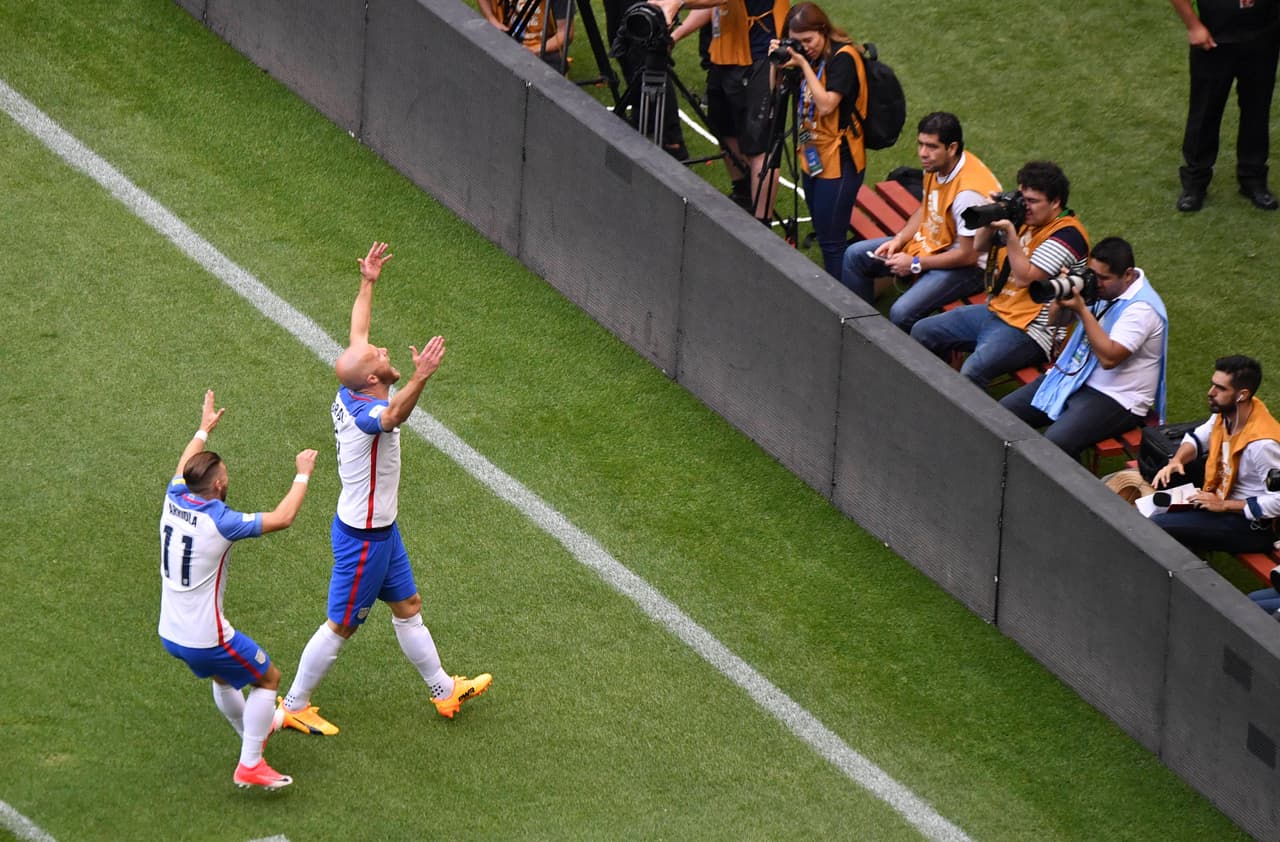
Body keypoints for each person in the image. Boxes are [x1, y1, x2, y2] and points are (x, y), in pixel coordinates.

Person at [278, 242, 491, 736]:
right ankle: (292, 704)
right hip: (363, 538)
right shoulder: (369, 412)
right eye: (379, 356)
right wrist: (420, 377)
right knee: (342, 625)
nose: (382, 348)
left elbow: (358, 334)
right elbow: (394, 415)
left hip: (380, 529)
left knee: (408, 607)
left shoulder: (359, 383)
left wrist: (368, 281)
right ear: (374, 378)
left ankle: (443, 691)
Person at [158, 390, 318, 791]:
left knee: (224, 680)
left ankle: (254, 735)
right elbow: (282, 518)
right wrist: (303, 472)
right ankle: (250, 762)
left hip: (171, 631)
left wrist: (203, 429)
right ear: (218, 483)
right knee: (267, 677)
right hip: (205, 635)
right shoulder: (221, 520)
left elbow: (184, 464)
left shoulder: (174, 495)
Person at [909, 161, 1090, 388]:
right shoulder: (1023, 218)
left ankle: (960, 416)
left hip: (1032, 331)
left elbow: (1026, 278)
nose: (1026, 207)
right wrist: (989, 220)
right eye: (1024, 199)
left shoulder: (1067, 235)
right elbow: (980, 246)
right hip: (997, 311)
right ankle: (934, 389)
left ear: (1055, 202)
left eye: (1033, 201)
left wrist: (1011, 234)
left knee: (973, 370)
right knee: (923, 331)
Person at [999, 237, 1168, 461]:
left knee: (1057, 441)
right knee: (1001, 413)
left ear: (1127, 275)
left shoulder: (1142, 309)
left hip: (1116, 396)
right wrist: (1061, 300)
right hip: (1075, 375)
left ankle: (1065, 492)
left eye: (1103, 278)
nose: (1095, 282)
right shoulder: (1105, 289)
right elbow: (1057, 321)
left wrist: (1082, 309)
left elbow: (1109, 358)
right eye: (1092, 274)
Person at [839, 112, 999, 332]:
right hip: (936, 243)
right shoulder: (938, 164)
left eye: (931, 146)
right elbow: (927, 207)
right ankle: (861, 329)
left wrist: (915, 263)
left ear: (951, 148)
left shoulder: (968, 195)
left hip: (973, 268)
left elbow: (969, 255)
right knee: (854, 256)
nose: (923, 153)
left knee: (901, 312)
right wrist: (900, 239)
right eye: (921, 144)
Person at [765, 2, 866, 276]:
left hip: (840, 159)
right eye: (797, 42)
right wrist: (778, 62)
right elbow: (775, 92)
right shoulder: (808, 56)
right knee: (824, 232)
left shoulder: (844, 58)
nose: (805, 47)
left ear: (823, 30)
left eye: (809, 40)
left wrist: (802, 64)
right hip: (812, 153)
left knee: (832, 242)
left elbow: (826, 105)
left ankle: (841, 303)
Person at [1151, 356, 1280, 554]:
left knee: (1156, 525)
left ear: (1242, 395)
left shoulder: (1263, 445)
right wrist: (1176, 461)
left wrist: (1224, 505)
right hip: (1219, 496)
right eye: (1213, 385)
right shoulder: (1227, 413)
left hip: (1249, 526)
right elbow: (1199, 437)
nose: (1211, 393)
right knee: (1159, 485)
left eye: (1220, 388)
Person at [671, 0, 787, 219]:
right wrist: (675, 35)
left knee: (760, 144)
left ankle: (762, 223)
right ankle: (742, 194)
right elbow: (712, 7)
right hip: (724, 53)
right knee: (724, 130)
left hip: (760, 57)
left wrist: (676, 3)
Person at [1171, 0, 1280, 212]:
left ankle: (1253, 178)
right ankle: (1195, 182)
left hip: (1263, 33)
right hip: (1214, 36)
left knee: (1257, 109)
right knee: (1205, 110)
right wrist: (1193, 25)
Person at [477, 0, 573, 73]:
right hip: (505, 41)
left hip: (542, 50)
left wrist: (535, 50)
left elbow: (566, 32)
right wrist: (491, 19)